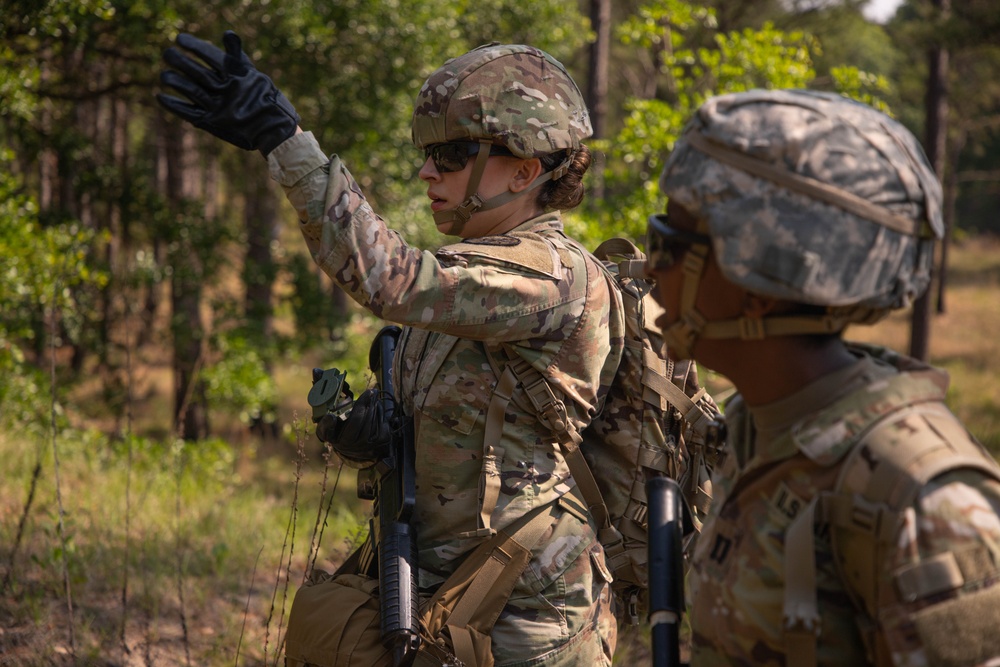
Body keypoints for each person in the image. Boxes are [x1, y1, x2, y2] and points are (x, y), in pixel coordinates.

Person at [158, 32, 621, 666]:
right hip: (442, 592)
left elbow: (390, 278)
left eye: (454, 154)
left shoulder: (552, 277)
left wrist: (286, 141)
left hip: (522, 616)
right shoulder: (470, 275)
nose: (429, 171)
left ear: (526, 168)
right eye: (430, 153)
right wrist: (376, 430)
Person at [644, 88, 1000, 666]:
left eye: (669, 244)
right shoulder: (757, 427)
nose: (649, 265)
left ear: (757, 284)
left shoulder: (920, 500)